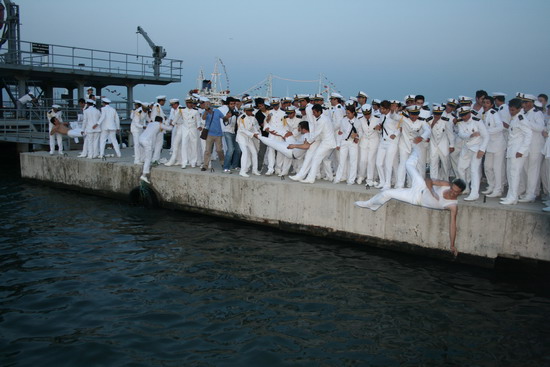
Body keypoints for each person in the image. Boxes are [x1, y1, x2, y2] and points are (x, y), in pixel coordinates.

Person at [355, 146, 466, 256]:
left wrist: (452, 244)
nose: (452, 191)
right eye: (452, 188)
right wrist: (432, 191)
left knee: (387, 193)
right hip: (421, 186)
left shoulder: (452, 205)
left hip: (416, 198)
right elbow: (428, 180)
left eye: (455, 192)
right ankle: (416, 149)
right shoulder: (446, 185)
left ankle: (370, 205)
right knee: (408, 165)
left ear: (460, 193)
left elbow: (452, 225)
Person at [500, 98, 532, 205]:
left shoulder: (521, 119)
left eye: (513, 110)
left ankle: (513, 197)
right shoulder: (514, 118)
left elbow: (529, 135)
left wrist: (522, 150)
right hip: (512, 151)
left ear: (519, 109)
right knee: (510, 174)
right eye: (510, 109)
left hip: (518, 152)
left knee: (514, 174)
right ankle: (510, 195)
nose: (511, 112)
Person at [456, 106, 489, 201]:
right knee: (460, 168)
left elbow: (486, 136)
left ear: (469, 113)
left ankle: (474, 193)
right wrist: (471, 135)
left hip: (477, 148)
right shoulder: (460, 122)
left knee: (474, 170)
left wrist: (482, 150)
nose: (464, 117)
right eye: (462, 115)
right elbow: (461, 134)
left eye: (465, 115)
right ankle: (465, 188)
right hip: (466, 147)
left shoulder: (477, 121)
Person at [480, 96, 506, 197]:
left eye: (487, 103)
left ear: (491, 105)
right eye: (484, 103)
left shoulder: (494, 113)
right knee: (487, 167)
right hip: (489, 145)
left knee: (497, 168)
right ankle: (491, 185)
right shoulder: (484, 114)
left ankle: (498, 189)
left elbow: (500, 127)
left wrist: (486, 132)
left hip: (498, 145)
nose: (485, 105)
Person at [139, 116, 172, 183]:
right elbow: (170, 129)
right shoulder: (159, 124)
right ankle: (144, 175)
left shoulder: (150, 124)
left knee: (145, 154)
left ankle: (142, 160)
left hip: (141, 139)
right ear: (160, 121)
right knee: (148, 158)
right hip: (147, 142)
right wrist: (172, 123)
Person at [334, 106, 361, 185]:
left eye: (349, 113)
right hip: (344, 142)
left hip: (353, 142)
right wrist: (338, 144)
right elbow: (340, 132)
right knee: (341, 161)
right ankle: (338, 178)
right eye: (346, 113)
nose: (347, 115)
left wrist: (357, 136)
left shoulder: (358, 122)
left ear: (353, 113)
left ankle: (351, 180)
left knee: (353, 161)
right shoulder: (343, 121)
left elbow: (360, 132)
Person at [201, 99, 228, 171]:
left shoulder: (217, 111)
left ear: (210, 105)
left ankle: (223, 162)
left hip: (218, 134)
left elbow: (223, 118)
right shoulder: (205, 112)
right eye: (206, 105)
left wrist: (227, 117)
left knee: (219, 150)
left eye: (208, 104)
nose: (207, 106)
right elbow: (203, 118)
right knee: (207, 150)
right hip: (209, 134)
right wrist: (206, 111)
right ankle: (205, 165)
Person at [236, 104, 261, 177]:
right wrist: (253, 135)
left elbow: (254, 127)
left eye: (251, 111)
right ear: (245, 111)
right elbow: (242, 129)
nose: (251, 112)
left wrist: (257, 133)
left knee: (254, 152)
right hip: (242, 137)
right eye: (249, 111)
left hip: (249, 138)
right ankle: (242, 171)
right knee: (245, 152)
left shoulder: (252, 118)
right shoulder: (241, 118)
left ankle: (255, 170)